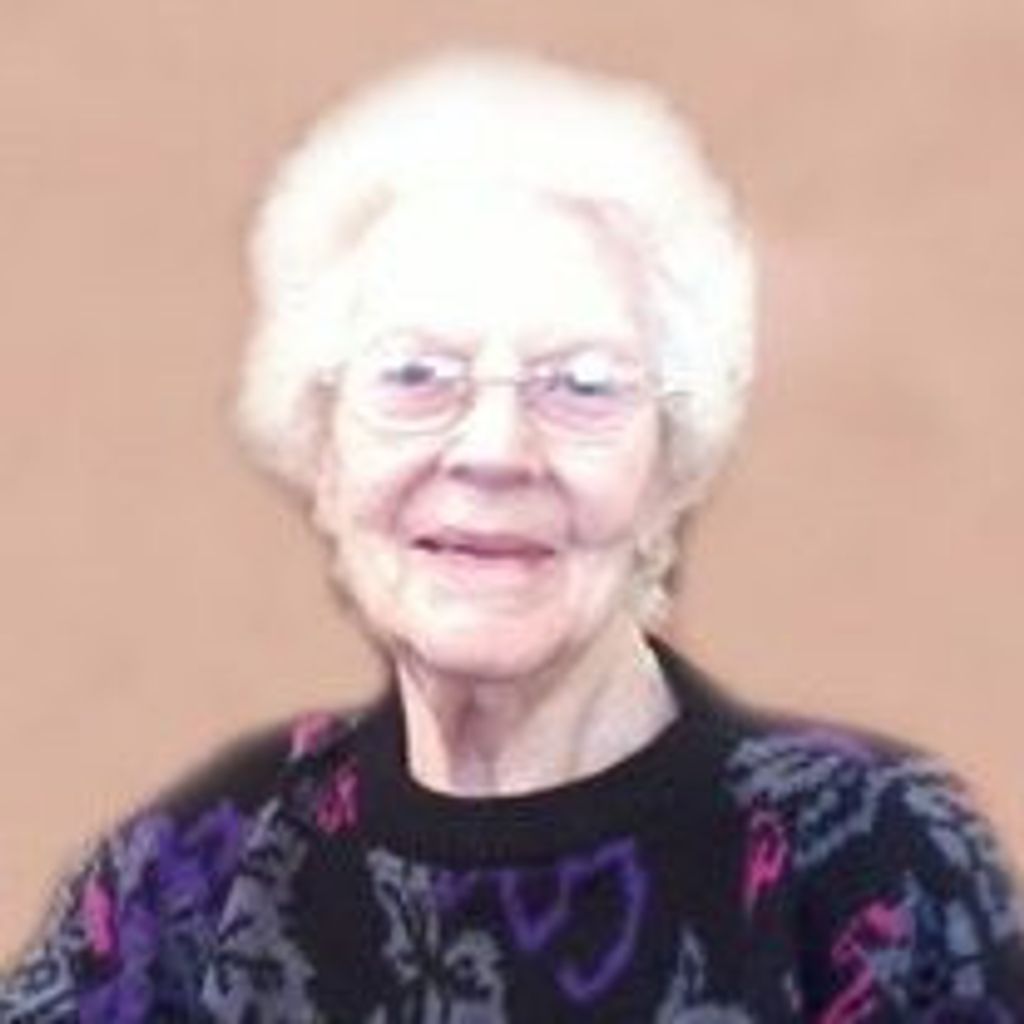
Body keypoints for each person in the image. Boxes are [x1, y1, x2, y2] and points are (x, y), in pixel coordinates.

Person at [2, 49, 1022, 1023]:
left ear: (670, 468)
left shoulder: (876, 867)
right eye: (416, 374)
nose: (494, 450)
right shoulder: (190, 881)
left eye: (582, 384)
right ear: (322, 451)